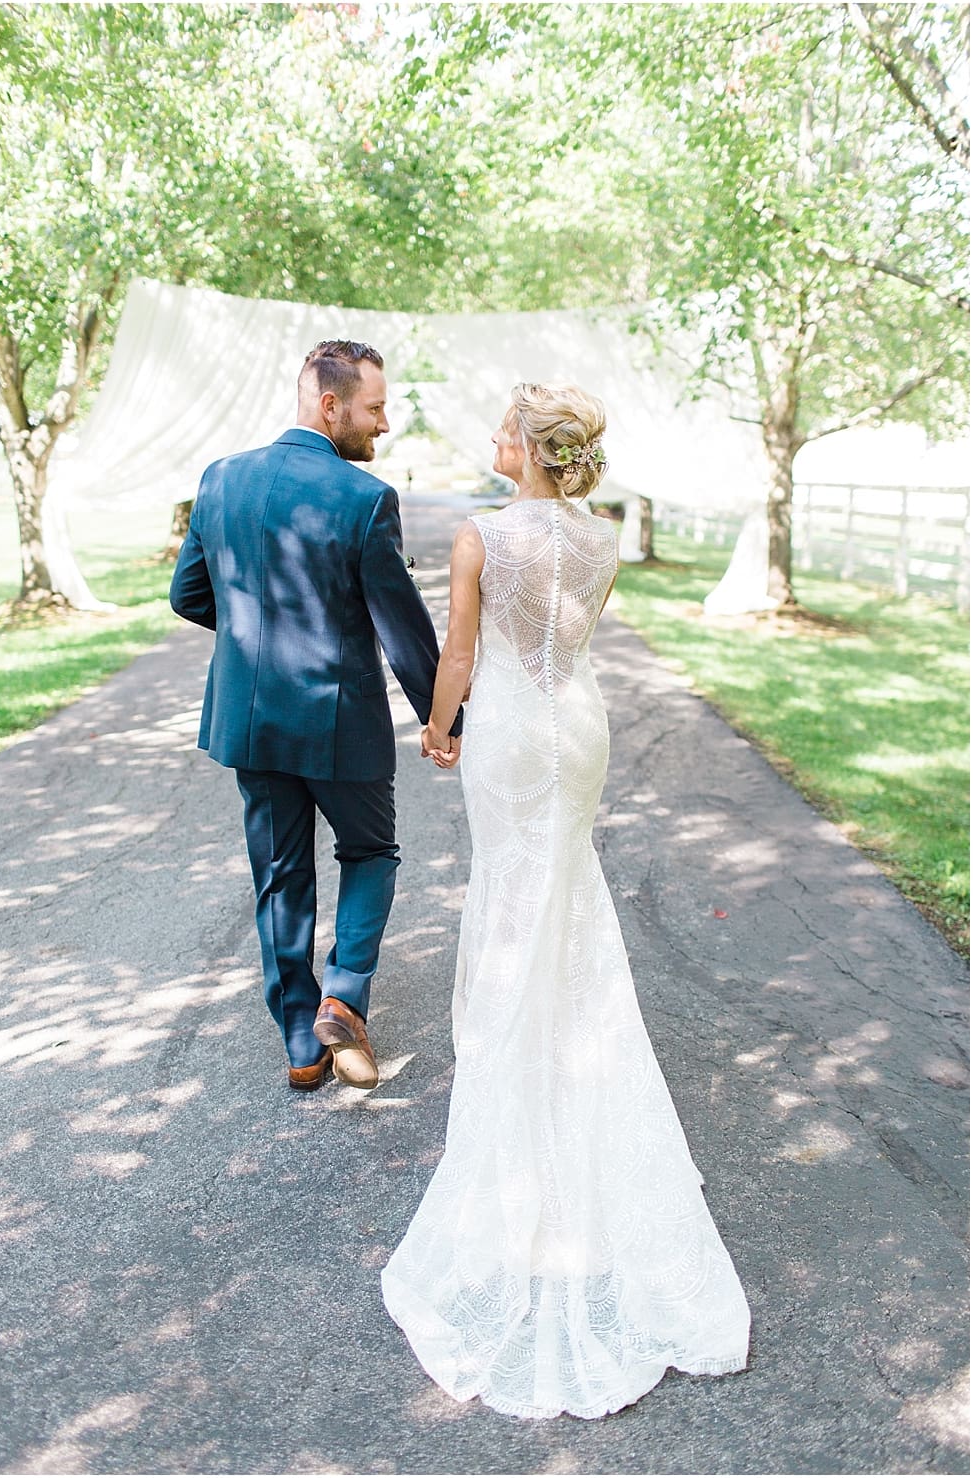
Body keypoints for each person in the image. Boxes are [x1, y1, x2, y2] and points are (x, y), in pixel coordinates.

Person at [381, 383, 749, 1418]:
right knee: (565, 899)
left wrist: (439, 726)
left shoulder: (480, 536)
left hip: (504, 726)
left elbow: (460, 650)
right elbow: (570, 643)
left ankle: (518, 1091)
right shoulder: (602, 539)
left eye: (503, 429)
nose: (490, 440)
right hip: (574, 724)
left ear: (534, 451)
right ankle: (569, 1076)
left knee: (511, 904)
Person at [170, 340, 458, 1092]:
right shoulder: (364, 501)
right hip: (339, 723)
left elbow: (187, 595)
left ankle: (302, 1039)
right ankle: (345, 992)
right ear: (329, 406)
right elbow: (401, 632)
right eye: (375, 408)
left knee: (278, 873)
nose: (384, 424)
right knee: (369, 853)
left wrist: (251, 642)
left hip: (249, 722)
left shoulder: (220, 478)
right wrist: (445, 719)